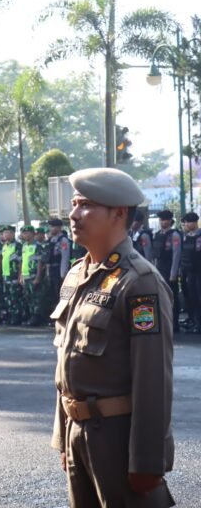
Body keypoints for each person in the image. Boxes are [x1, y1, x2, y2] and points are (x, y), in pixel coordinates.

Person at [51, 168, 174, 508]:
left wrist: (148, 460)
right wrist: (64, 437)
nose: (73, 214)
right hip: (79, 433)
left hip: (117, 437)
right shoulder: (78, 274)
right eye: (74, 204)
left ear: (119, 214)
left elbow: (153, 381)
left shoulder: (139, 282)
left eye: (86, 205)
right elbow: (65, 363)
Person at [152, 210, 181, 331]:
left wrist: (173, 274)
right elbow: (154, 254)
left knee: (172, 296)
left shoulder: (174, 235)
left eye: (164, 220)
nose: (162, 222)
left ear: (169, 221)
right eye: (161, 220)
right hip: (160, 267)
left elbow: (176, 255)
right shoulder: (158, 234)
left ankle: (174, 323)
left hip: (169, 268)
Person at [179, 212, 201, 334]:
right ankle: (196, 322)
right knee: (193, 298)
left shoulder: (199, 236)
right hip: (189, 272)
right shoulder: (187, 236)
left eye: (188, 222)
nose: (186, 224)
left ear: (194, 222)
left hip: (199, 271)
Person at [19, 225, 44, 326]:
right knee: (28, 298)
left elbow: (40, 263)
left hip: (33, 276)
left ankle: (36, 319)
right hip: (25, 276)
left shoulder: (37, 246)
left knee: (35, 299)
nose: (25, 235)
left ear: (33, 234)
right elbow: (22, 262)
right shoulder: (24, 246)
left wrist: (38, 277)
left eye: (27, 232)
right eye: (24, 233)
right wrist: (20, 276)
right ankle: (30, 317)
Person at [47, 218, 71, 313]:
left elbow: (65, 257)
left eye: (53, 226)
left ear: (59, 228)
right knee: (52, 294)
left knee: (59, 294)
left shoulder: (63, 240)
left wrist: (63, 273)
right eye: (51, 226)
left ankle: (61, 314)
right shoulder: (51, 240)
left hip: (58, 270)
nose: (51, 228)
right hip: (51, 270)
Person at [0, 226, 23, 325]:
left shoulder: (17, 246)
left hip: (14, 275)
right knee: (8, 297)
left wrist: (19, 276)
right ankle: (9, 317)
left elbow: (21, 262)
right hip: (6, 276)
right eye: (5, 233)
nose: (6, 235)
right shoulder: (4, 246)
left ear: (13, 234)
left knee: (15, 298)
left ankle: (16, 317)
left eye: (8, 233)